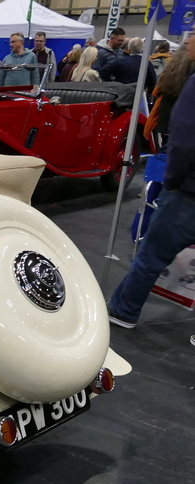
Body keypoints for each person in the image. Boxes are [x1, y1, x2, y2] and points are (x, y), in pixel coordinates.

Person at [107, 31, 195, 330]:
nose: (187, 41)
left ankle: (123, 310)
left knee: (151, 255)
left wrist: (172, 180)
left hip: (188, 189)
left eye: (192, 36)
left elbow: (183, 142)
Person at [143, 48, 195, 145]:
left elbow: (156, 91)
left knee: (165, 147)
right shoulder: (190, 76)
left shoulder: (169, 71)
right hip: (182, 121)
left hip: (164, 116)